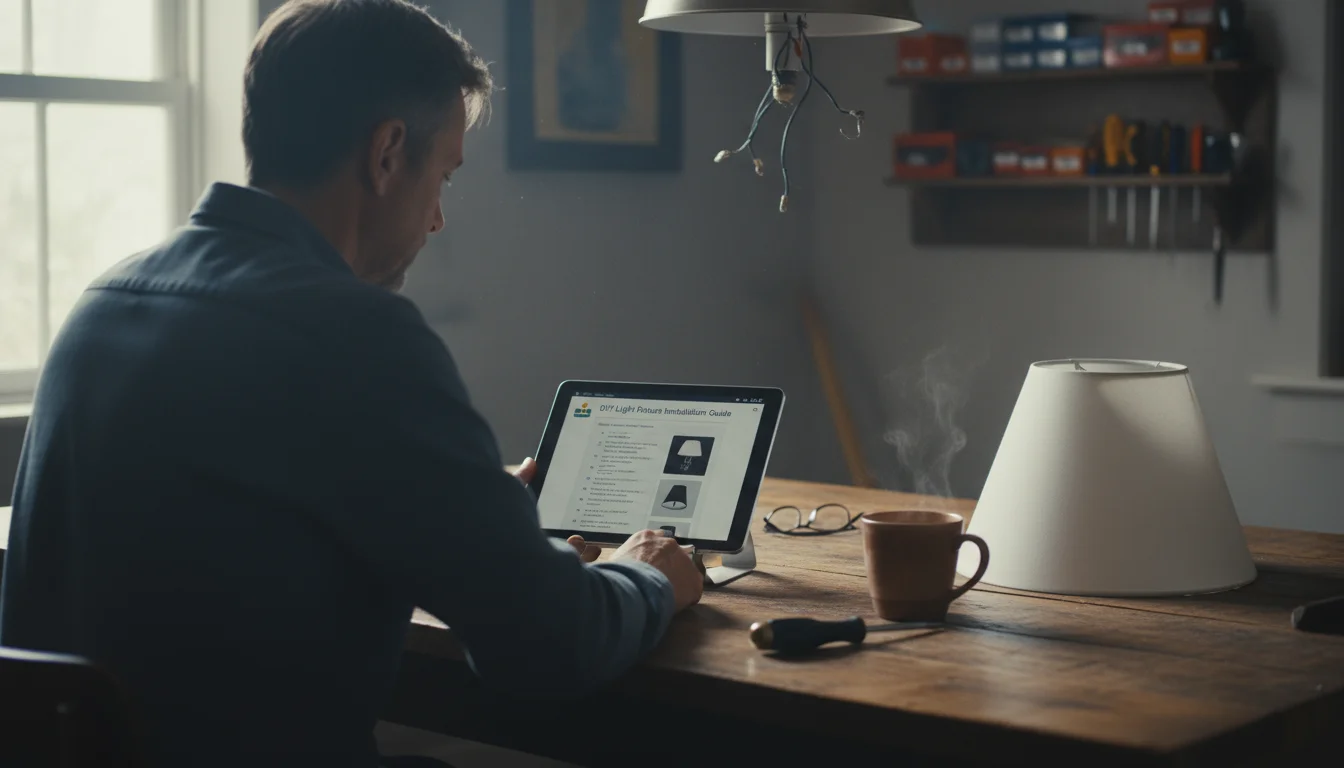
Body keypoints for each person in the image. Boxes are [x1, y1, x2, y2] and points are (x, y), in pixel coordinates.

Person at [0, 1, 704, 766]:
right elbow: (550, 647)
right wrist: (646, 576)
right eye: (444, 176)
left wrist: (470, 511)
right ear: (388, 153)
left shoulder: (104, 301)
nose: (437, 219)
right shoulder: (354, 335)